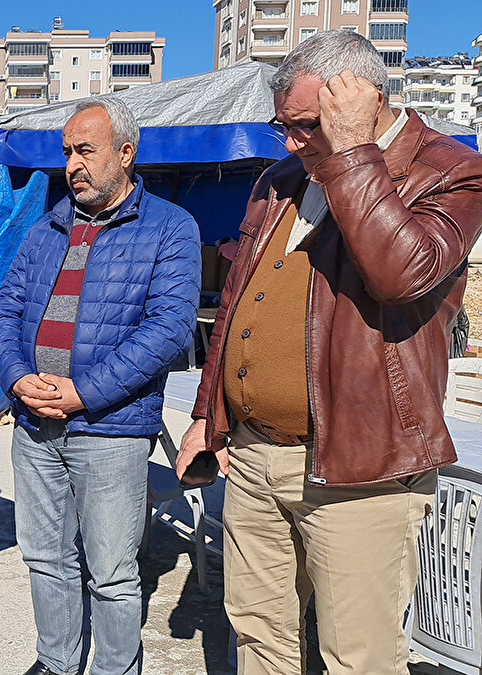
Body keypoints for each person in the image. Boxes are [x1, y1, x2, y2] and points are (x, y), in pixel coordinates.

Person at [175, 30, 482, 674]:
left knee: (358, 657)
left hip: (359, 468)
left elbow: (400, 275)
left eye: (305, 124)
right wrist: (210, 412)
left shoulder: (451, 169)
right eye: (280, 125)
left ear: (363, 97)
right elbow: (236, 302)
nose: (290, 142)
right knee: (259, 635)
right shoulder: (282, 177)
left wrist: (351, 154)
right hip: (256, 456)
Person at [0, 98, 200, 675]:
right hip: (36, 423)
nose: (73, 165)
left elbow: (170, 327)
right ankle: (57, 660)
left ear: (126, 154)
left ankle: (114, 668)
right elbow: (5, 313)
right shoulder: (47, 226)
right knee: (45, 557)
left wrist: (82, 393)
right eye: (67, 153)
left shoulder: (169, 228)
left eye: (86, 151)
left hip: (109, 429)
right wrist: (17, 379)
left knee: (111, 570)